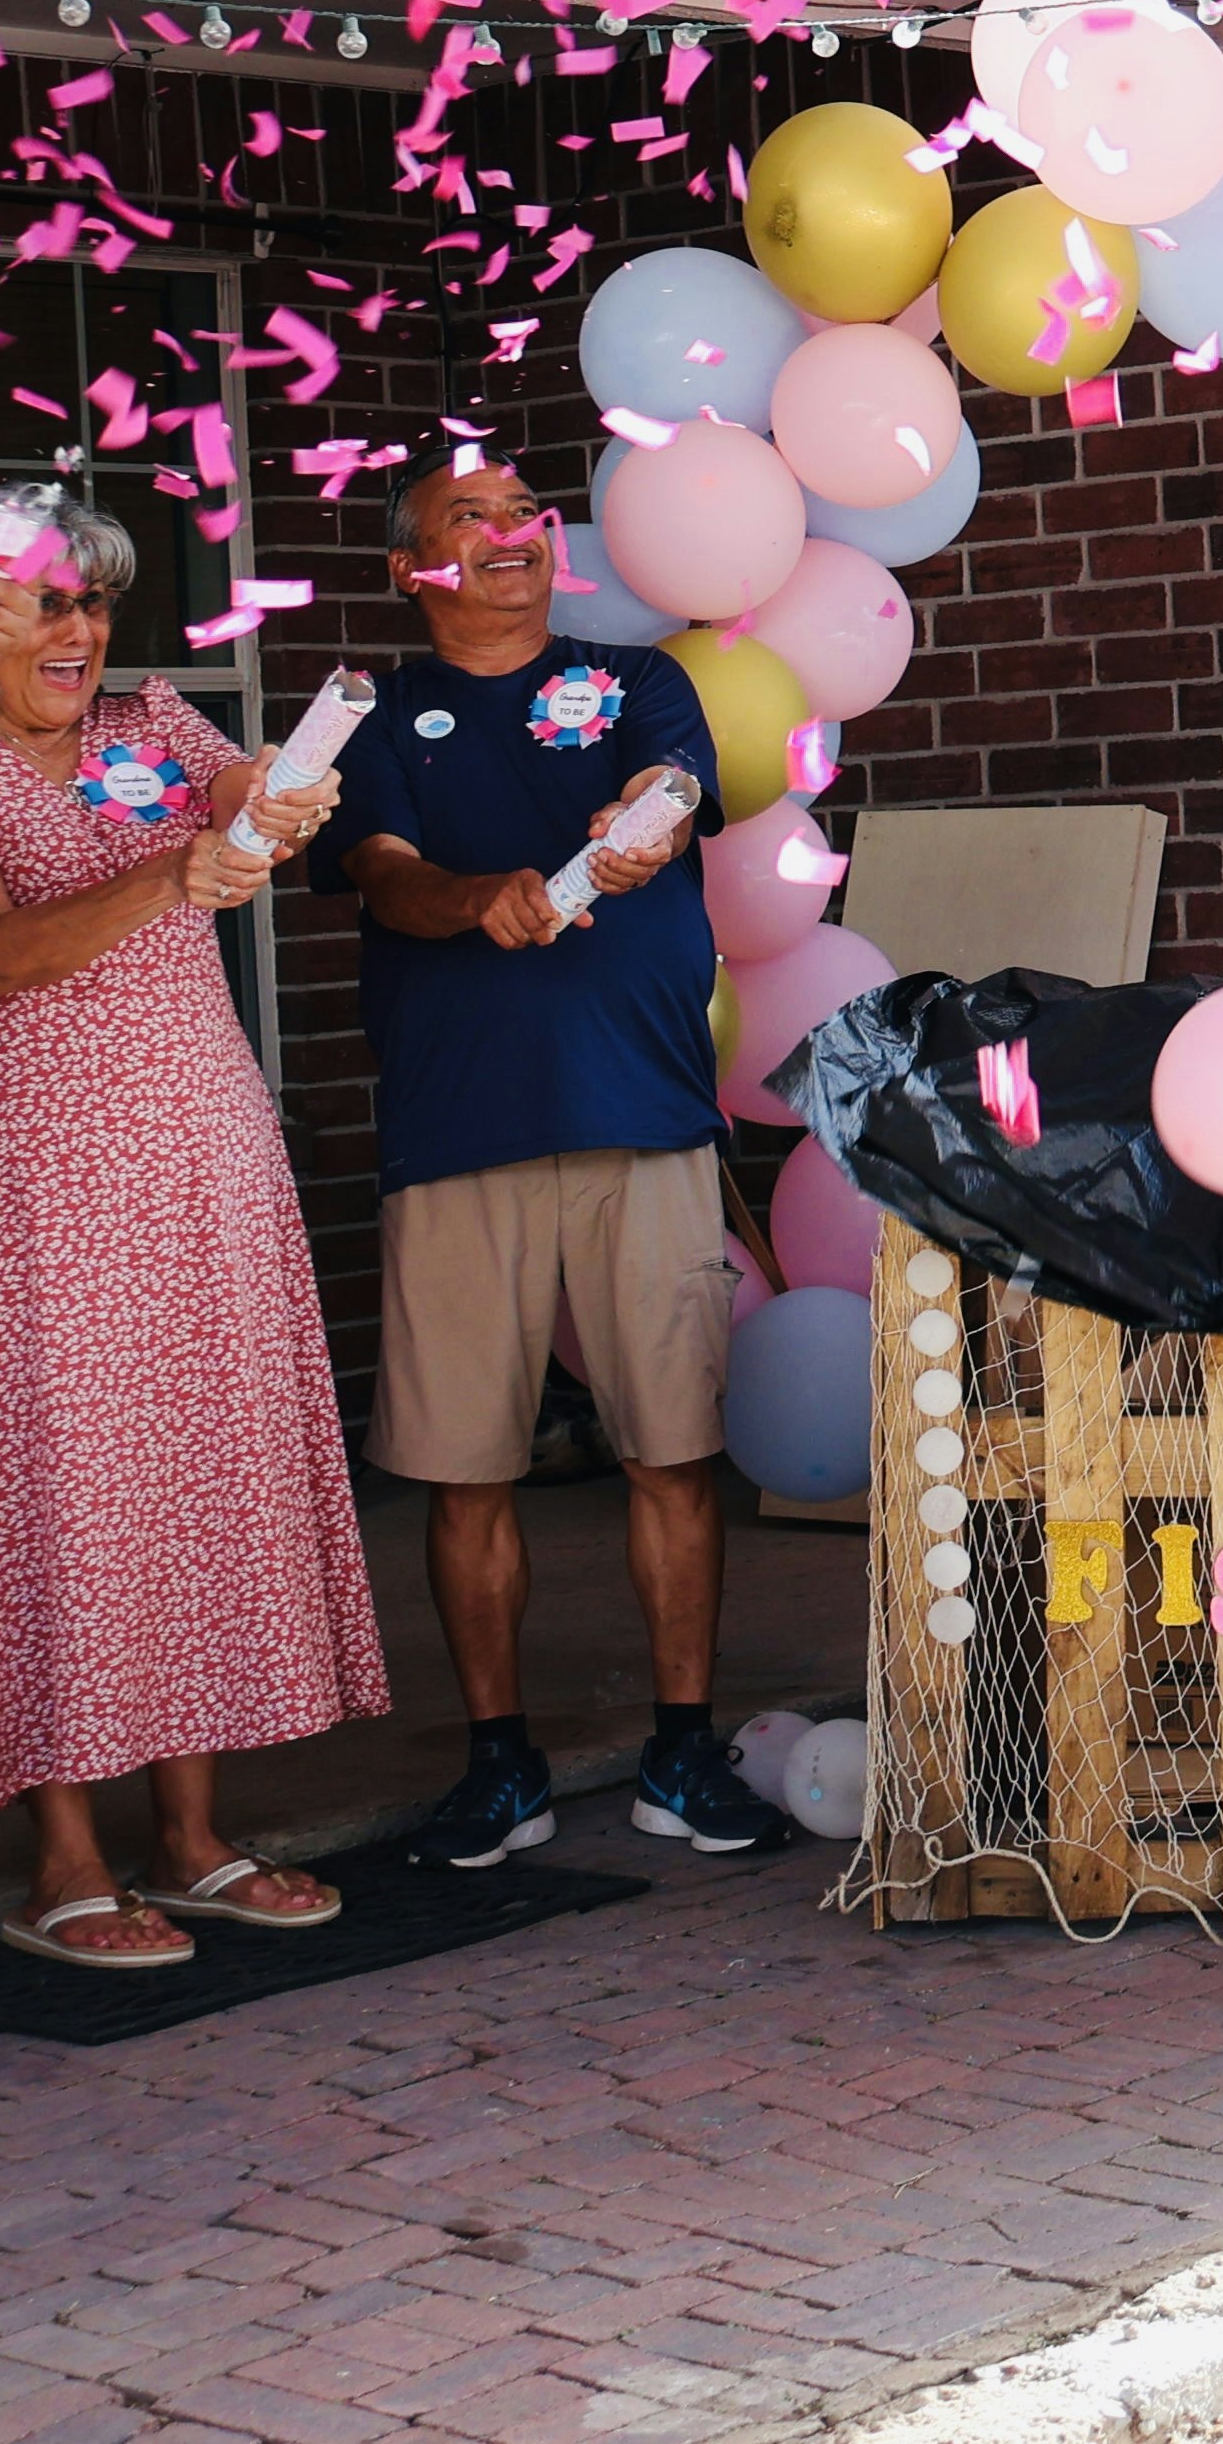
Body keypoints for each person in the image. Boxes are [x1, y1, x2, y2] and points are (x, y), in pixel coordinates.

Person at [0, 493, 378, 1966]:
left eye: (94, 605)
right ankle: (63, 1855)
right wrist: (168, 876)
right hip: (35, 1172)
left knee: (191, 1468)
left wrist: (286, 792)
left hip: (198, 1145)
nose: (75, 634)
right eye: (43, 604)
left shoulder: (151, 723)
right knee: (60, 1486)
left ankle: (192, 1835)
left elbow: (242, 793)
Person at [325, 451, 798, 1869]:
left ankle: (679, 1748)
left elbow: (674, 774)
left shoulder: (636, 676)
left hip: (641, 1118)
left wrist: (642, 818)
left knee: (673, 1448)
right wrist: (482, 901)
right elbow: (382, 875)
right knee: (467, 1470)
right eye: (468, 518)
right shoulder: (379, 714)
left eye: (525, 512)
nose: (509, 534)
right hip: (456, 1129)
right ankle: (498, 1765)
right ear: (414, 566)